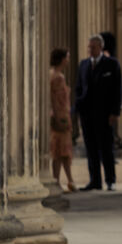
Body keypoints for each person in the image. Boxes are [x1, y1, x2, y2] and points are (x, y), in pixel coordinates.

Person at [75, 34, 122, 191]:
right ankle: (94, 181)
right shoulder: (83, 64)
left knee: (106, 149)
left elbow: (117, 90)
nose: (90, 49)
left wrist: (115, 112)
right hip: (86, 115)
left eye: (92, 47)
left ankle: (111, 180)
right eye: (88, 47)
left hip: (105, 115)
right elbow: (79, 87)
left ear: (100, 47)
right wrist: (78, 109)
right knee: (91, 149)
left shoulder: (112, 64)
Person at [50, 48, 76, 192]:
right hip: (61, 117)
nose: (68, 60)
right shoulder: (58, 77)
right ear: (62, 59)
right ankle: (65, 181)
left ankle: (66, 180)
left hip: (58, 115)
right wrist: (61, 119)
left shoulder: (52, 74)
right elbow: (57, 100)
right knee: (62, 151)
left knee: (60, 152)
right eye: (67, 57)